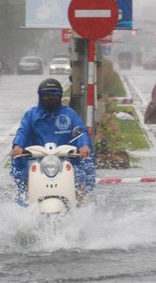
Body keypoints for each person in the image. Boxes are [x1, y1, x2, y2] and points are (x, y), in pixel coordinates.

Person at [10, 78, 95, 206]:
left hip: (67, 159)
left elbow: (80, 131)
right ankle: (25, 204)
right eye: (47, 96)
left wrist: (83, 146)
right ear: (40, 96)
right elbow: (23, 131)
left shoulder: (70, 115)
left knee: (79, 175)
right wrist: (18, 146)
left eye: (54, 96)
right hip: (36, 159)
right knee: (24, 175)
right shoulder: (31, 115)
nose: (51, 98)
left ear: (60, 96)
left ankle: (78, 206)